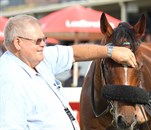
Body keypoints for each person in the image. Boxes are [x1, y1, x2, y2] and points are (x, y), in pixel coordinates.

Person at [0, 15, 137, 130]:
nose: (43, 44)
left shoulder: (37, 58)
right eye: (38, 41)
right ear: (18, 43)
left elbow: (74, 53)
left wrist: (110, 51)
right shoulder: (10, 81)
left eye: (44, 39)